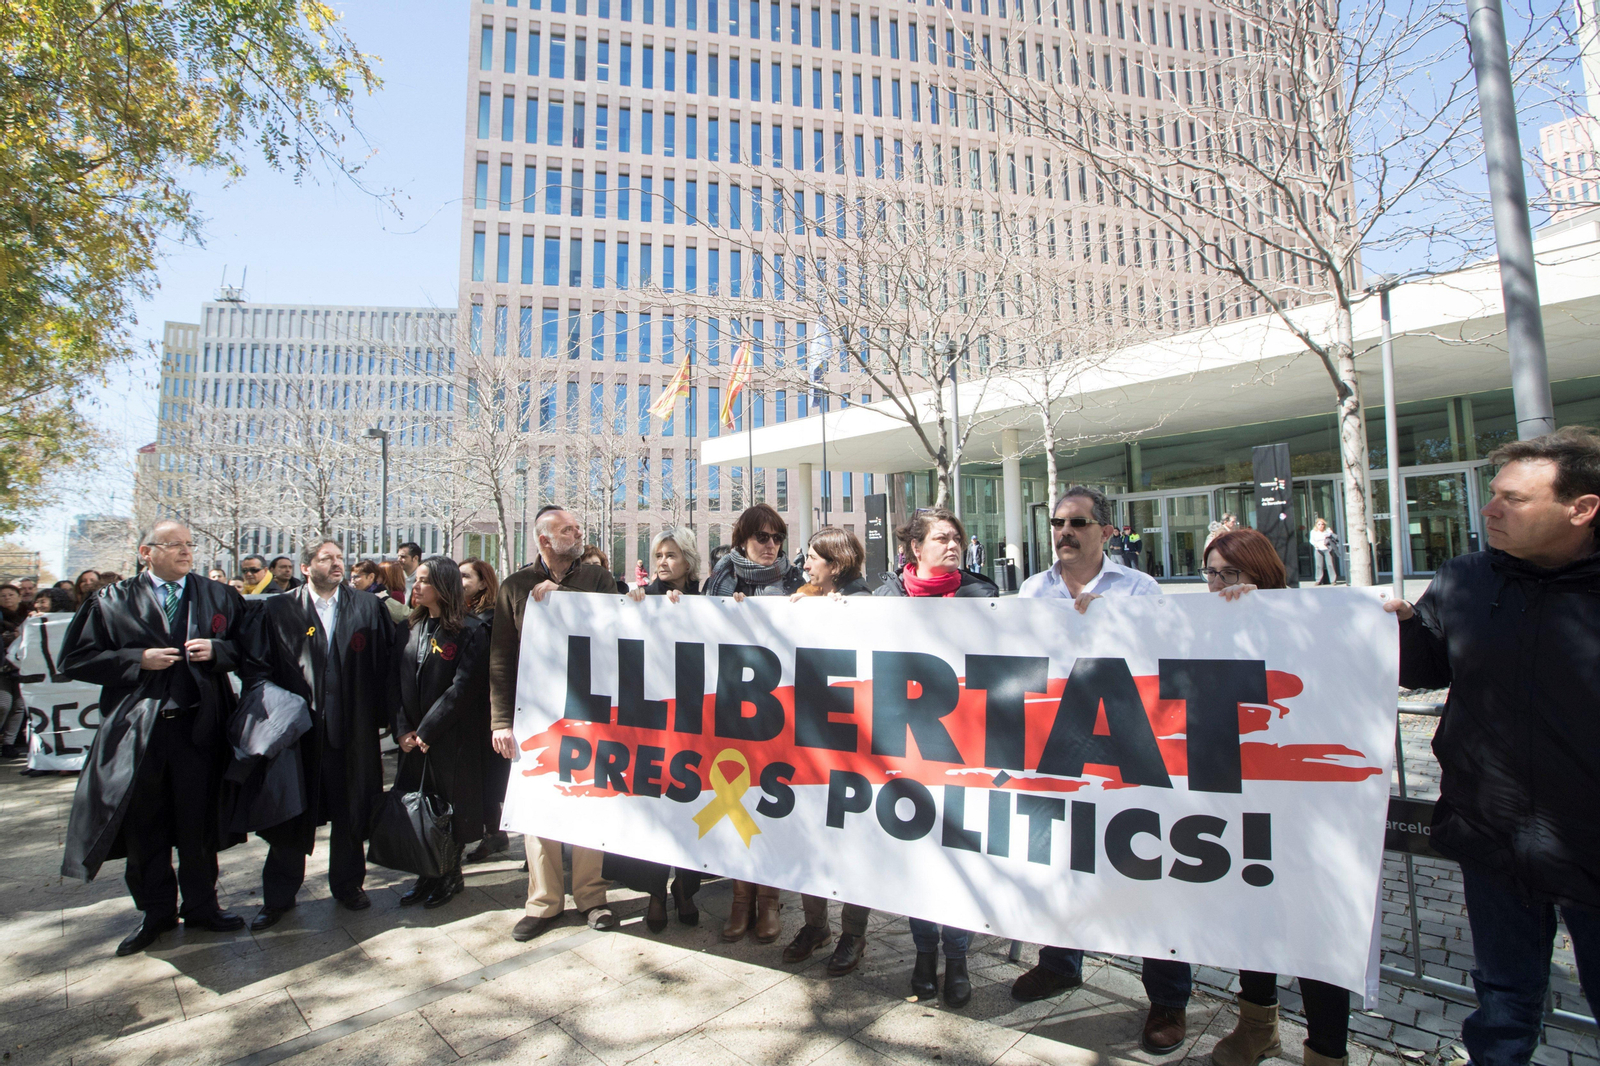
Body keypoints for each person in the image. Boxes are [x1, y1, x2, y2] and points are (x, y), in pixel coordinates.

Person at [1383, 427, 1600, 1066]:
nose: (1489, 509)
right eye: (1492, 494)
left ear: (1581, 508)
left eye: (1514, 499)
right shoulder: (1469, 577)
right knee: (1503, 1005)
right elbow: (1425, 667)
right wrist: (1395, 628)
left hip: (1592, 845)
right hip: (1493, 837)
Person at [1012, 486, 1192, 1054]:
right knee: (1060, 854)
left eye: (1079, 523)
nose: (1065, 532)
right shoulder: (1032, 590)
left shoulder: (1139, 589)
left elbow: (1167, 656)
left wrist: (1112, 626)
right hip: (1059, 746)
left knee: (1147, 865)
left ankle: (1168, 999)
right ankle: (1060, 962)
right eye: (1058, 522)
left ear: (1106, 532)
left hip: (1129, 750)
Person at [1192, 528, 1357, 1066]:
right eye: (1210, 573)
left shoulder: (1306, 625)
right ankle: (1257, 1024)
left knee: (1313, 927)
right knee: (1254, 915)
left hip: (1302, 809)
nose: (1217, 584)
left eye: (1230, 574)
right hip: (1234, 800)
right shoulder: (1202, 628)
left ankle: (1327, 1051)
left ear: (1261, 575)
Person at [57, 521, 249, 955]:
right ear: (147, 551)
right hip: (138, 734)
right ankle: (156, 912)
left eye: (189, 545)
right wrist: (135, 659)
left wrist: (219, 653)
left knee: (198, 823)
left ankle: (203, 906)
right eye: (175, 545)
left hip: (199, 730)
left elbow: (248, 648)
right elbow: (75, 659)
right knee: (146, 826)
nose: (186, 552)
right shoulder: (111, 600)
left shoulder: (218, 595)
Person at [241, 539, 396, 931]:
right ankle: (278, 896)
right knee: (292, 813)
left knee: (351, 811)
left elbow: (383, 666)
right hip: (299, 735)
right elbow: (256, 669)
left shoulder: (367, 606)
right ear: (306, 567)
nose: (337, 564)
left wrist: (385, 718)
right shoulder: (277, 609)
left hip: (352, 732)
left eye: (340, 558)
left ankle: (347, 885)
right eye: (327, 558)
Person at [875, 508, 996, 1007]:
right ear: (914, 548)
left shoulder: (982, 597)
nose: (953, 546)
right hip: (905, 748)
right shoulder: (884, 599)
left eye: (958, 539)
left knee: (957, 856)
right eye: (942, 538)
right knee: (920, 857)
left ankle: (959, 956)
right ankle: (925, 954)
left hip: (965, 747)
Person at [489, 507, 619, 941]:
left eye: (579, 527)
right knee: (540, 805)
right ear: (544, 539)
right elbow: (501, 658)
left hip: (589, 711)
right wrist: (501, 721)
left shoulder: (598, 579)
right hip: (535, 713)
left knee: (588, 799)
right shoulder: (515, 587)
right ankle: (543, 903)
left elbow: (612, 630)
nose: (578, 533)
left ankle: (592, 898)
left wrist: (561, 599)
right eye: (568, 529)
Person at [702, 503, 803, 943]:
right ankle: (740, 898)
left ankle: (770, 901)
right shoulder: (722, 578)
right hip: (731, 710)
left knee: (774, 801)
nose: (771, 545)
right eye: (762, 537)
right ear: (742, 538)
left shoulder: (795, 580)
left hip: (781, 712)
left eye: (777, 537)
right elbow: (697, 626)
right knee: (738, 801)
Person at [781, 527, 874, 976]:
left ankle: (853, 934)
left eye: (812, 559)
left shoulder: (869, 602)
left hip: (855, 743)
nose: (805, 566)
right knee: (810, 834)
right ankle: (815, 925)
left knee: (854, 840)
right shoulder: (807, 596)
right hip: (813, 739)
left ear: (834, 565)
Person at [611, 527, 705, 931]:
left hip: (694, 723)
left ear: (688, 559)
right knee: (654, 807)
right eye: (658, 555)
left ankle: (685, 887)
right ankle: (654, 895)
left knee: (688, 806)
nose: (663, 562)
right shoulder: (641, 599)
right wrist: (634, 606)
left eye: (671, 554)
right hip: (649, 721)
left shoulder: (707, 601)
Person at [393, 556, 488, 909]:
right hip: (413, 740)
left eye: (423, 581)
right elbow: (396, 683)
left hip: (450, 738)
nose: (415, 587)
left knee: (447, 811)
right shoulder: (410, 627)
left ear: (443, 586)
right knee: (418, 808)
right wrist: (403, 729)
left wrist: (428, 730)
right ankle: (425, 873)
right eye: (414, 581)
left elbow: (463, 688)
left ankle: (449, 875)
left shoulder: (470, 630)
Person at [459, 557, 508, 864]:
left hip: (486, 709)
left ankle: (494, 832)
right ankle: (494, 830)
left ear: (482, 582)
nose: (459, 581)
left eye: (465, 576)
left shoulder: (490, 619)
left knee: (491, 775)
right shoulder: (461, 614)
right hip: (470, 709)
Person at [1309, 518, 1341, 585]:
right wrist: (1315, 544)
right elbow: (1311, 540)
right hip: (1318, 549)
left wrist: (1329, 533)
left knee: (1330, 564)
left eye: (1322, 524)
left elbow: (1332, 535)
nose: (1321, 526)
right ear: (1316, 525)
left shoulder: (1327, 531)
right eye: (1319, 524)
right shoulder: (1313, 532)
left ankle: (1333, 580)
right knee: (1318, 565)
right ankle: (1318, 580)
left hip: (1327, 549)